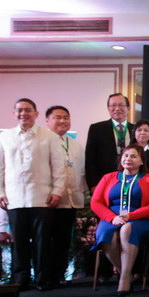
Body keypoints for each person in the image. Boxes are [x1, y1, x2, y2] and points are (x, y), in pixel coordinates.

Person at [0, 98, 66, 291]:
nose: (23, 113)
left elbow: (59, 167)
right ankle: (20, 280)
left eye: (27, 110)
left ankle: (42, 280)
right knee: (19, 240)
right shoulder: (5, 137)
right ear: (14, 113)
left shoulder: (49, 137)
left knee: (42, 242)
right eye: (19, 110)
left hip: (42, 198)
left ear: (36, 113)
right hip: (14, 199)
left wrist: (58, 191)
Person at [90, 145, 149, 296]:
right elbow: (95, 202)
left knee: (127, 229)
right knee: (106, 233)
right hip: (111, 217)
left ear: (142, 161)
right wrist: (112, 218)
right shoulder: (108, 177)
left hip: (139, 218)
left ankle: (123, 279)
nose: (128, 159)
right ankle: (127, 273)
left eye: (133, 156)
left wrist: (130, 216)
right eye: (125, 156)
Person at [46, 105, 87, 287]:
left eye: (66, 118)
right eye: (57, 117)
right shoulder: (43, 142)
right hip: (48, 201)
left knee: (63, 241)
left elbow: (82, 173)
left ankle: (59, 276)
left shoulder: (76, 145)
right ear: (47, 121)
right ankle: (44, 277)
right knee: (46, 240)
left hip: (70, 201)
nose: (62, 121)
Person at [85, 93, 133, 189]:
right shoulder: (97, 129)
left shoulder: (136, 129)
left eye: (121, 105)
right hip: (105, 182)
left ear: (128, 108)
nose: (117, 108)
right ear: (108, 108)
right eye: (113, 105)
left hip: (132, 180)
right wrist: (93, 185)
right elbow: (90, 159)